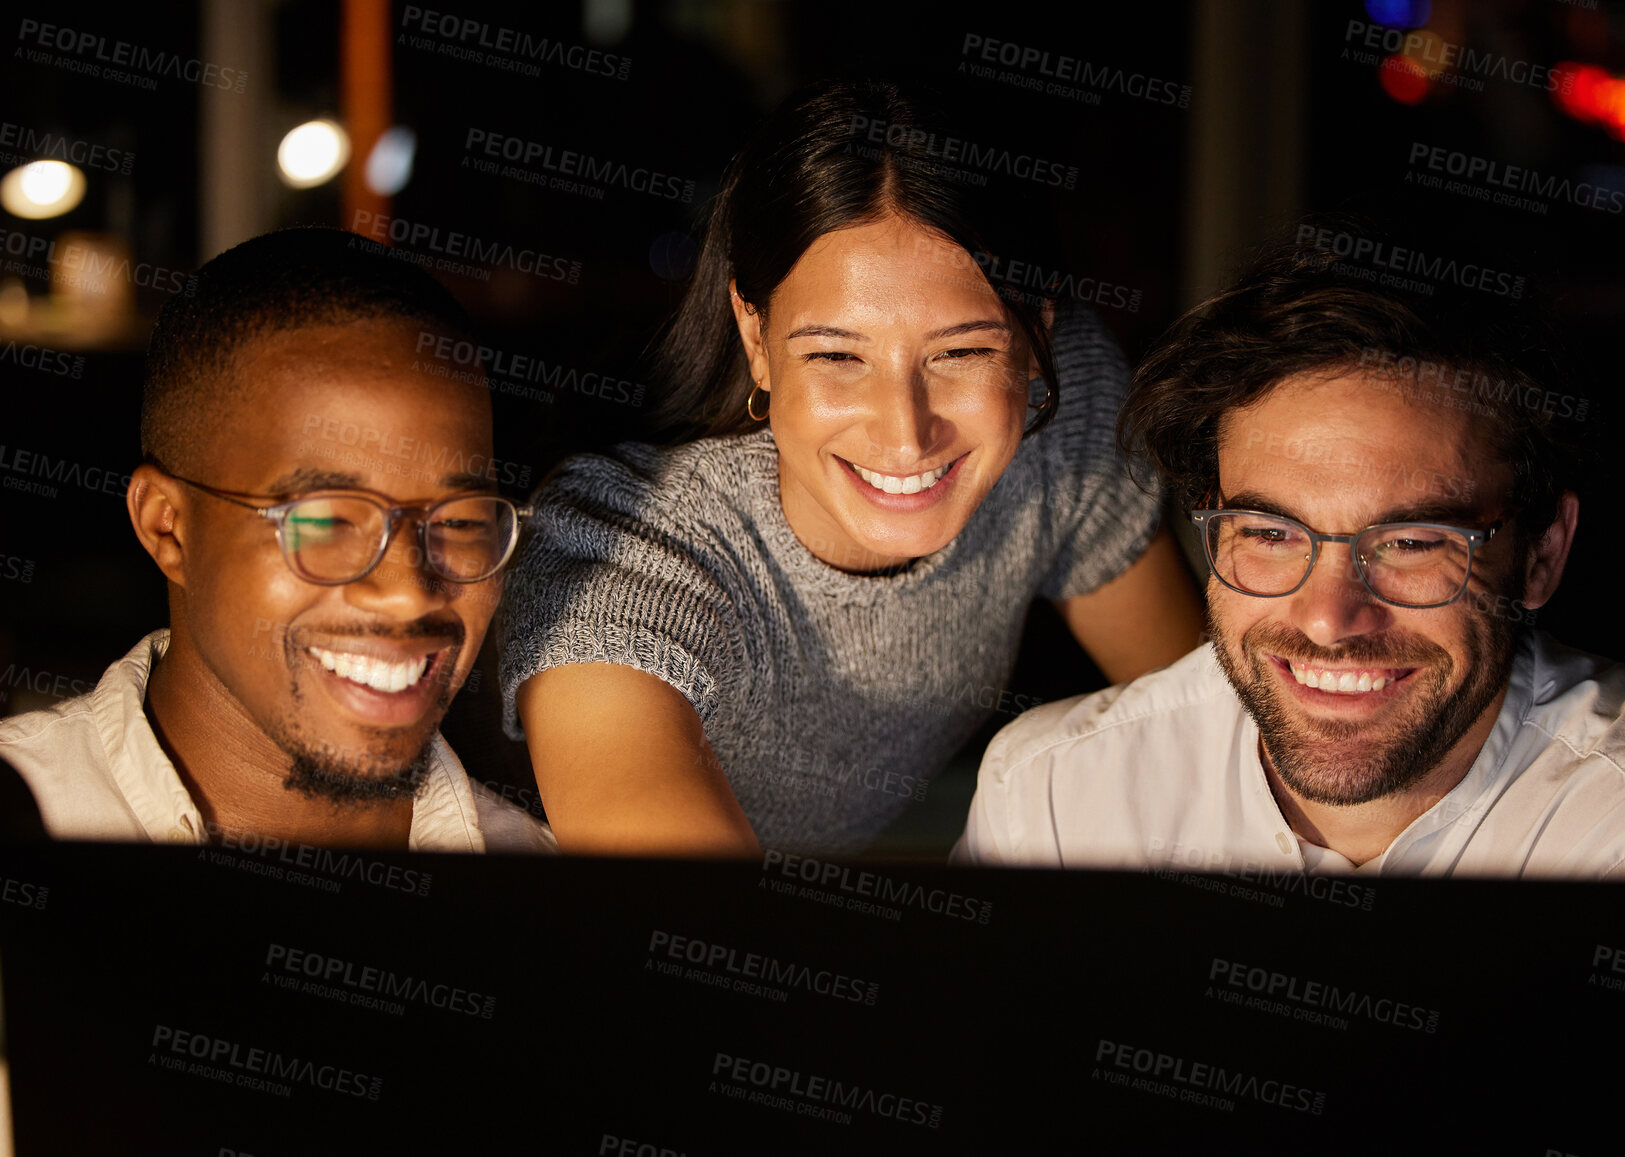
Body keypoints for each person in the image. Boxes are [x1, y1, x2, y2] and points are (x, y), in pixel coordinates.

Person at [496, 78, 1204, 857]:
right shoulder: (626, 553)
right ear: (755, 337)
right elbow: (694, 928)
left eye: (961, 352)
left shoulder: (1062, 423)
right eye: (837, 355)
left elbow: (1206, 743)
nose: (905, 435)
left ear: (1036, 332)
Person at [955, 231, 1625, 880]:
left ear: (1542, 555)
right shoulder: (1051, 801)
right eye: (1269, 532)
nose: (1328, 619)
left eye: (1412, 543)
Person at [0, 228, 554, 853]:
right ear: (168, 527)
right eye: (327, 521)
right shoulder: (27, 830)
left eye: (459, 522)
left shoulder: (563, 913)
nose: (408, 594)